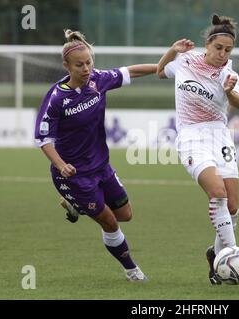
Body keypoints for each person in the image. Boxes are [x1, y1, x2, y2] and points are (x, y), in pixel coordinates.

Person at [34, 29, 157, 282]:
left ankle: (74, 205)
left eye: (89, 62)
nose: (86, 68)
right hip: (74, 176)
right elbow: (43, 139)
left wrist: (166, 66)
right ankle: (132, 270)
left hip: (101, 166)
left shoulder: (97, 81)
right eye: (79, 65)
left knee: (126, 215)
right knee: (111, 223)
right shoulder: (57, 98)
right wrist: (61, 165)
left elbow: (130, 71)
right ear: (66, 65)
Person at [157, 14, 239, 285]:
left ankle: (216, 255)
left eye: (228, 50)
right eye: (219, 48)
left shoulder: (229, 74)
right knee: (218, 193)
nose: (223, 54)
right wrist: (171, 51)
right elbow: (159, 72)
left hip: (220, 136)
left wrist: (230, 90)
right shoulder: (186, 61)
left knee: (233, 207)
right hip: (191, 136)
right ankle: (233, 255)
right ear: (208, 44)